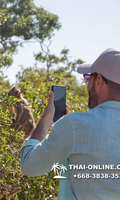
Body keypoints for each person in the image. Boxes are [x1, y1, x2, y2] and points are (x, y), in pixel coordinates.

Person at [21, 48, 120, 200]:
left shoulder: (75, 125)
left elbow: (30, 165)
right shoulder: (75, 125)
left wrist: (46, 121)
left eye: (88, 78)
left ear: (99, 81)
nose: (87, 85)